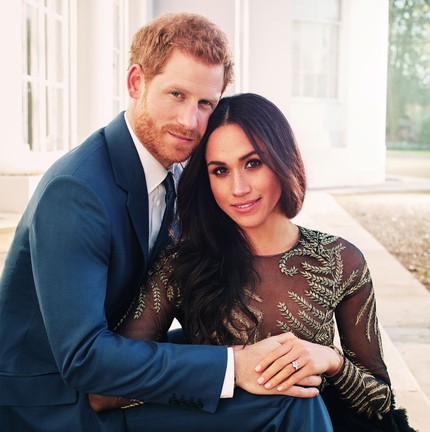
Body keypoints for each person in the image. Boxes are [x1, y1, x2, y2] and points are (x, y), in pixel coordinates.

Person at [0, 13, 332, 432]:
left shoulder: (175, 172)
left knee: (286, 374)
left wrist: (262, 350)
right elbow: (82, 359)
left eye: (205, 104)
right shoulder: (77, 192)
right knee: (286, 405)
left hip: (115, 371)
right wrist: (232, 365)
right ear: (136, 82)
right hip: (53, 406)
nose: (190, 122)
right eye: (176, 94)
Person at [90, 93, 416, 432]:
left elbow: (381, 401)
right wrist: (222, 372)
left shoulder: (338, 261)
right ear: (207, 180)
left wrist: (332, 362)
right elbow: (106, 388)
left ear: (281, 159)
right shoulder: (182, 266)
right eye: (220, 170)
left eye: (253, 163)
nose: (238, 188)